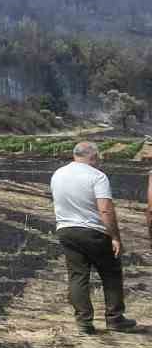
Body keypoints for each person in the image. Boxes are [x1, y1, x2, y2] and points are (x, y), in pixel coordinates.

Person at [51, 141, 136, 334]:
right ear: (93, 156)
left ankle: (83, 322)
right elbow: (105, 209)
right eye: (97, 157)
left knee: (78, 276)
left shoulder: (58, 174)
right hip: (93, 231)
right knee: (111, 273)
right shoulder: (97, 176)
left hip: (65, 229)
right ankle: (115, 318)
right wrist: (115, 237)